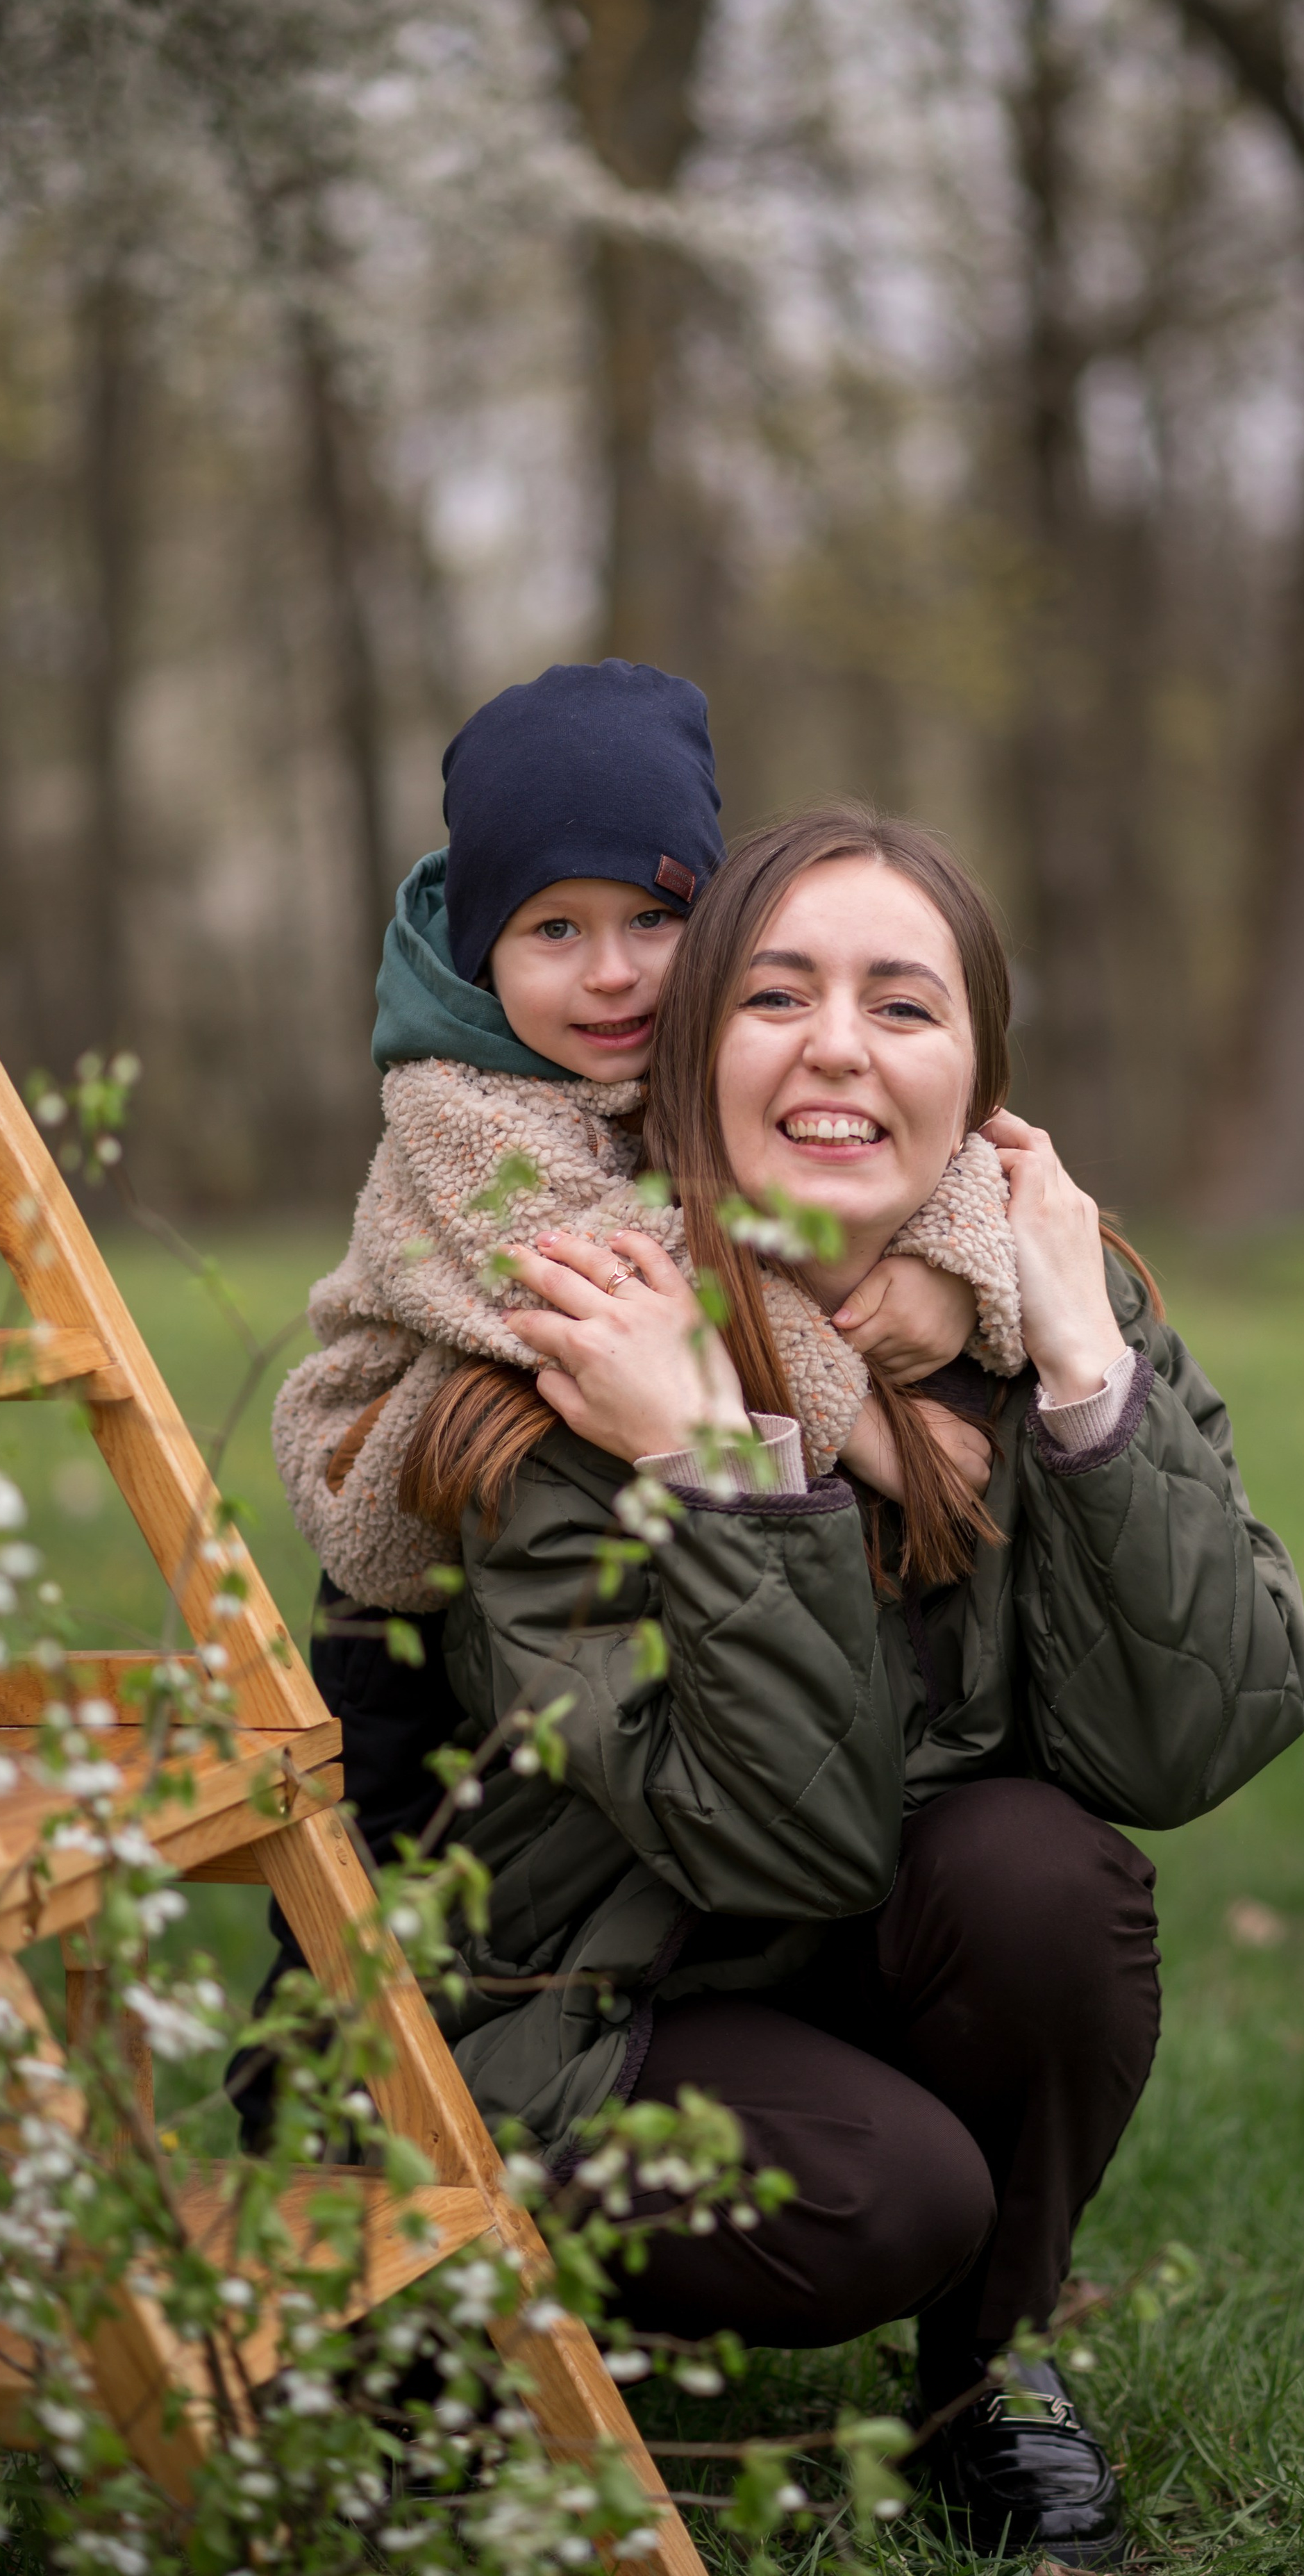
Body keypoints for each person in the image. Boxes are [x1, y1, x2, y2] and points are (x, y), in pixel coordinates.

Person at [406, 806, 1304, 2568]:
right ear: (686, 1060)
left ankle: (988, 2385)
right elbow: (784, 1846)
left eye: (902, 1005)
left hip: (835, 1958)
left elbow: (1195, 1733)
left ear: (978, 1085)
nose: (837, 1045)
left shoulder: (1044, 1314)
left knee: (1042, 1877)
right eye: (774, 996)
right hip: (580, 2007)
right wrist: (723, 1474)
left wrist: (1081, 1365)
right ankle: (461, 2298)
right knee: (887, 2194)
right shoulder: (564, 1353)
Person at [235, 665, 1022, 2147]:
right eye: (555, 930)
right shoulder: (459, 1105)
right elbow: (635, 1284)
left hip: (568, 1497)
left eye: (653, 921)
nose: (611, 974)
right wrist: (869, 1425)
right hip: (399, 1521)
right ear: (485, 949)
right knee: (373, 1846)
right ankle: (313, 2111)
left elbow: (942, 1142)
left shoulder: (725, 1045)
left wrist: (949, 1269)